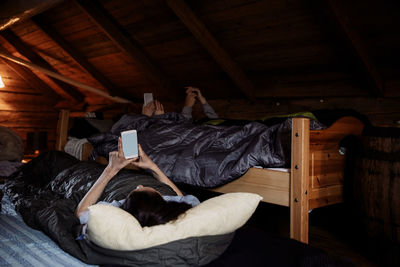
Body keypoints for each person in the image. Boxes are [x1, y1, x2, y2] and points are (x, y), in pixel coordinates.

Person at [74, 137, 199, 228]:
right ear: (162, 200)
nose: (139, 185)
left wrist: (111, 169)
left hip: (115, 183)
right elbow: (180, 198)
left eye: (136, 191)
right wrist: (152, 167)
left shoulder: (119, 210)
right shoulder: (162, 209)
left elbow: (81, 212)